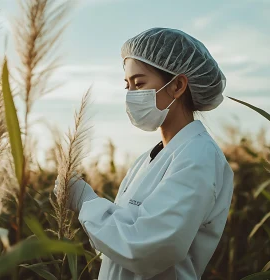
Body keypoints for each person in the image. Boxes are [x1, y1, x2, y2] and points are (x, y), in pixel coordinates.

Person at [53, 27, 234, 280]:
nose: (130, 95)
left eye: (139, 84)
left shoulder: (198, 156)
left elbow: (148, 247)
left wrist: (85, 201)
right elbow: (118, 243)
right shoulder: (149, 159)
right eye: (127, 85)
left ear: (178, 85)